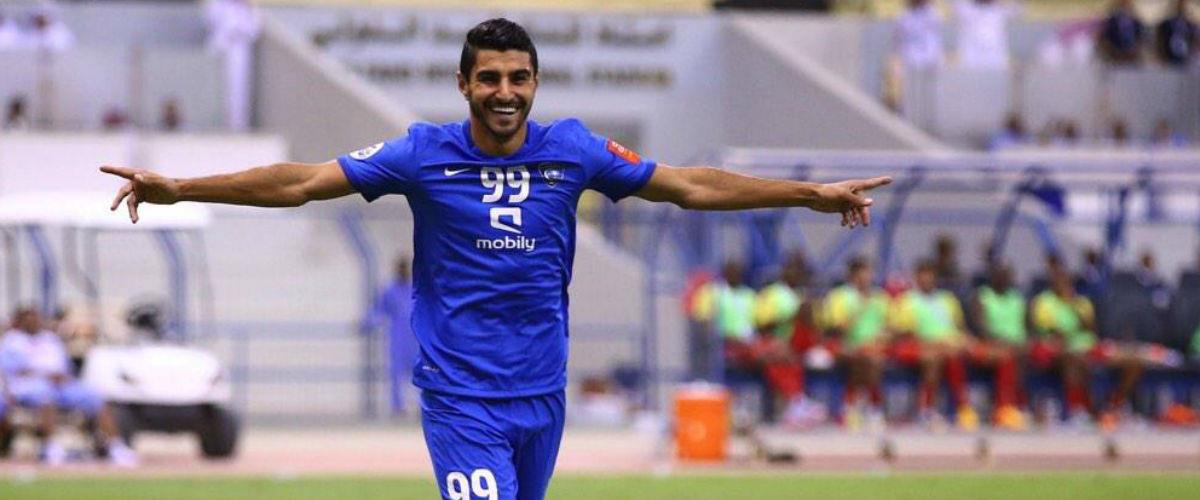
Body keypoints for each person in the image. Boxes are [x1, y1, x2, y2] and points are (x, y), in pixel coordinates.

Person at [99, 19, 890, 499]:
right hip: (461, 397)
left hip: (542, 393)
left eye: (517, 78)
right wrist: (184, 188)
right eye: (489, 78)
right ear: (464, 84)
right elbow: (302, 181)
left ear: (535, 82)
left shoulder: (575, 148)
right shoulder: (421, 153)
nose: (503, 91)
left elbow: (686, 185)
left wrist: (807, 195)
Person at [0, 307, 136, 466]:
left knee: (95, 396)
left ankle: (115, 446)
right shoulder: (12, 341)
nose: (33, 322)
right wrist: (45, 375)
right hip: (28, 386)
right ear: (20, 321)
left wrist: (61, 376)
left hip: (60, 385)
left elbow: (65, 367)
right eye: (28, 319)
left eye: (35, 318)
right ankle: (50, 446)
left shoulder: (50, 338)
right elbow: (13, 370)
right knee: (45, 395)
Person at [890, 260, 979, 431]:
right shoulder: (908, 300)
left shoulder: (948, 299)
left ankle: (964, 408)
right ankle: (926, 410)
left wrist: (966, 340)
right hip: (921, 346)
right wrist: (933, 344)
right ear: (916, 278)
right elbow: (903, 333)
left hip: (951, 345)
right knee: (934, 358)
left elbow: (959, 327)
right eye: (923, 276)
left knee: (964, 355)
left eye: (930, 275)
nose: (927, 279)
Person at [822, 256, 890, 432]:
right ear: (853, 276)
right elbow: (835, 330)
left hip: (874, 347)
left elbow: (889, 327)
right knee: (864, 359)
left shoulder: (880, 297)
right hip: (845, 344)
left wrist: (883, 337)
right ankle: (871, 408)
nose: (868, 277)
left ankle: (855, 406)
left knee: (872, 358)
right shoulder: (839, 296)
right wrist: (859, 308)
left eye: (870, 273)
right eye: (864, 273)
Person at [970, 262, 1028, 430]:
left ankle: (1021, 406)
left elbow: (1028, 326)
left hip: (1017, 344)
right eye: (999, 275)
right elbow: (979, 326)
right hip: (991, 344)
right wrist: (999, 340)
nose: (1003, 278)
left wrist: (1023, 342)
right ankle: (1004, 408)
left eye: (1006, 275)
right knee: (1005, 357)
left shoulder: (1017, 298)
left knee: (1025, 353)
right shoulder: (983, 296)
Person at [362, 255, 418, 417]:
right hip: (398, 337)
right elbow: (378, 310)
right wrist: (367, 323)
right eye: (400, 268)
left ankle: (421, 407)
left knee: (419, 371)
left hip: (416, 338)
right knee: (396, 372)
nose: (403, 271)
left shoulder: (416, 288)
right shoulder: (390, 290)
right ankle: (397, 407)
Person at [205, 0, 260, 131]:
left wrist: (240, 30)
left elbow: (255, 29)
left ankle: (238, 125)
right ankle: (217, 124)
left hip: (239, 50)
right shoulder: (217, 4)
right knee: (217, 87)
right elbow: (210, 20)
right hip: (221, 47)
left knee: (239, 89)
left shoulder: (248, 8)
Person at [953, 0, 1021, 70]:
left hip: (996, 57)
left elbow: (1017, 10)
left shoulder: (1002, 9)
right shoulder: (965, 8)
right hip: (971, 57)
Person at [1097, 0, 1146, 65]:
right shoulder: (1111, 21)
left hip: (1133, 55)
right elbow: (1106, 38)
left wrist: (1135, 49)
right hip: (1115, 55)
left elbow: (1141, 37)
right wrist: (1114, 52)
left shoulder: (1136, 21)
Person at [1156, 0, 1198, 67]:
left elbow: (1193, 41)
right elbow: (1161, 40)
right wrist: (1162, 56)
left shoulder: (1190, 25)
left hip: (1186, 60)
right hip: (1169, 58)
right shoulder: (1166, 23)